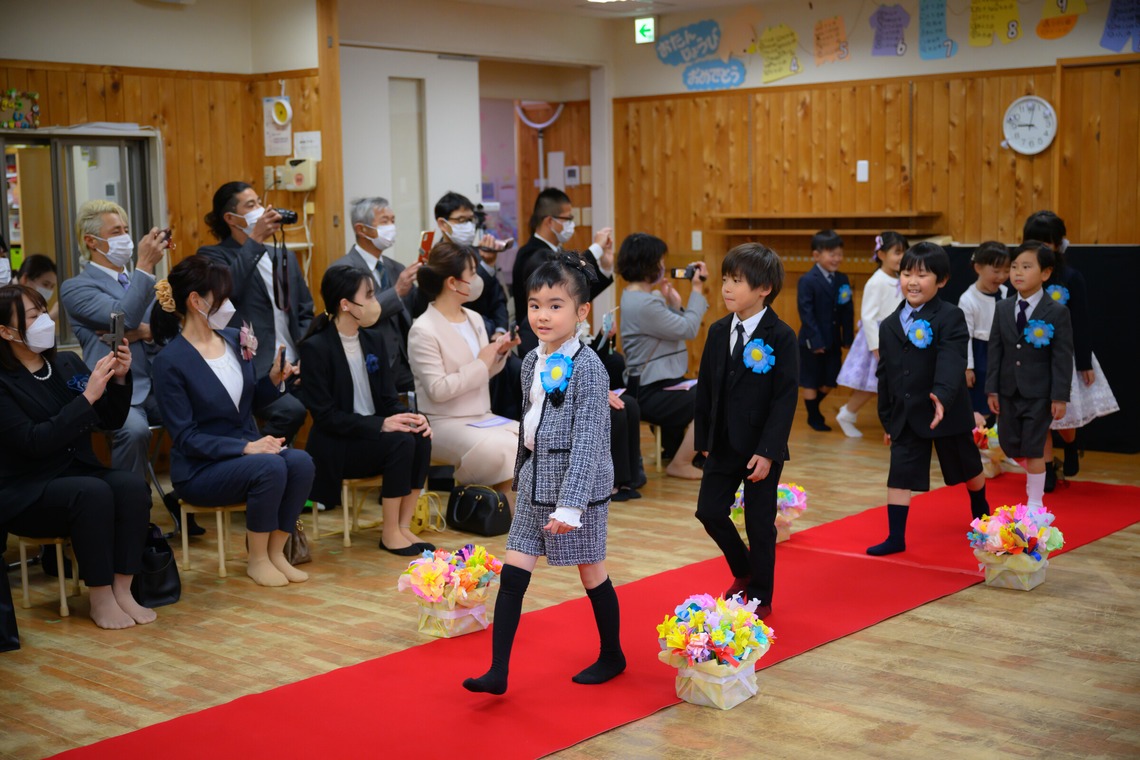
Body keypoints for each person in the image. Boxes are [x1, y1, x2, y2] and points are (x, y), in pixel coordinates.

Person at [464, 252, 622, 695]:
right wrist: (522, 475)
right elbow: (531, 422)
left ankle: (612, 653)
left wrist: (571, 505)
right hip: (536, 482)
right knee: (514, 574)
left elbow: (589, 441)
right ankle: (498, 671)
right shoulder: (532, 360)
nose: (543, 315)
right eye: (535, 305)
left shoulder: (590, 368)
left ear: (581, 311)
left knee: (592, 572)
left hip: (579, 490)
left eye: (556, 305)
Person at [151, 256, 315, 587]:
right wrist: (246, 447)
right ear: (196, 301)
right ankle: (256, 559)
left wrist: (273, 379)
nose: (229, 304)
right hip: (201, 468)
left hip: (243, 453)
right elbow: (185, 436)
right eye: (222, 297)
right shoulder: (170, 361)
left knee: (301, 462)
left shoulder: (231, 339)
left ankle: (276, 552)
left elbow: (246, 402)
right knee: (270, 467)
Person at [0, 284, 155, 629]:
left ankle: (123, 589)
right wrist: (85, 399)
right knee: (92, 492)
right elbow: (33, 441)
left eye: (43, 311)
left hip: (76, 471)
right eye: (32, 316)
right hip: (29, 489)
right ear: (6, 331)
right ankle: (100, 597)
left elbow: (110, 421)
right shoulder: (4, 382)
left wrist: (118, 379)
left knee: (131, 486)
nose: (43, 320)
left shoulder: (66, 363)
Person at [57, 201, 193, 527]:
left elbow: (166, 331)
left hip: (159, 384)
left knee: (202, 411)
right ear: (92, 241)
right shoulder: (76, 287)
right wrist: (145, 267)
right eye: (116, 232)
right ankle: (131, 517)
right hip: (116, 391)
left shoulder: (148, 284)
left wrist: (143, 331)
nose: (126, 238)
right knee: (133, 431)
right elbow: (125, 316)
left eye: (127, 231)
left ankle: (190, 494)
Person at [298, 266, 434, 556]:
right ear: (345, 304)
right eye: (369, 295)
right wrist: (381, 425)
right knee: (400, 440)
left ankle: (403, 525)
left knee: (419, 434)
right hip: (339, 445)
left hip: (373, 436)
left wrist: (411, 417)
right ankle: (389, 533)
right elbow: (326, 417)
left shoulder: (373, 340)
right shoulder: (315, 348)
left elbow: (388, 400)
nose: (375, 302)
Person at [693, 244, 797, 619]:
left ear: (764, 287)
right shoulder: (719, 331)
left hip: (760, 449)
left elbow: (785, 399)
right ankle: (744, 568)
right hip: (721, 444)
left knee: (759, 523)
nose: (727, 288)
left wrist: (769, 451)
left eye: (737, 281)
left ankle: (760, 593)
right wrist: (703, 442)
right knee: (709, 512)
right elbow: (705, 389)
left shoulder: (781, 336)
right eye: (725, 280)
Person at [868, 243, 990, 556]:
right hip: (908, 413)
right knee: (900, 471)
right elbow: (886, 374)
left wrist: (942, 396)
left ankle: (981, 509)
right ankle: (896, 537)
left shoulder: (950, 317)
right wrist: (887, 418)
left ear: (942, 280)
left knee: (967, 466)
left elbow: (953, 360)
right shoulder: (890, 325)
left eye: (922, 275)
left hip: (945, 409)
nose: (912, 281)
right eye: (906, 273)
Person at [196, 182, 313, 444]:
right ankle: (245, 456)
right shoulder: (213, 256)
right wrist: (255, 239)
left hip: (295, 364)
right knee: (290, 412)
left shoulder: (283, 256)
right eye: (251, 205)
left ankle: (316, 477)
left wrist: (307, 354)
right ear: (230, 218)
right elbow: (227, 292)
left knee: (335, 399)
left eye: (260, 202)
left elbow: (305, 310)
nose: (261, 210)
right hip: (254, 368)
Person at [407, 241, 520, 508]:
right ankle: (504, 516)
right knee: (501, 448)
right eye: (471, 273)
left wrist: (499, 353)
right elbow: (438, 389)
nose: (476, 279)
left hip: (481, 415)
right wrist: (482, 362)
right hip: (443, 422)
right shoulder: (423, 329)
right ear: (452, 282)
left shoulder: (474, 318)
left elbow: (484, 372)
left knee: (531, 437)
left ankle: (508, 515)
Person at [1022, 211, 1118, 490]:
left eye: (1046, 242)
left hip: (1064, 356)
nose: (1040, 247)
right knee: (1040, 419)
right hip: (1034, 358)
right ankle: (1047, 469)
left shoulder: (1071, 277)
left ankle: (1072, 445)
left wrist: (1084, 362)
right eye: (1034, 241)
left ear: (1057, 243)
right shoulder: (1022, 274)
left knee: (1063, 417)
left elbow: (1081, 321)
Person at [986, 241, 1074, 509]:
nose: (1018, 273)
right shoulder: (1003, 308)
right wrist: (992, 389)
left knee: (1035, 446)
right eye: (1014, 267)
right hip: (1008, 389)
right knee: (1010, 444)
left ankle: (1035, 501)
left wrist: (1059, 397)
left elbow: (1062, 357)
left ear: (1045, 273)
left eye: (1026, 267)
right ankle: (1035, 479)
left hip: (1040, 392)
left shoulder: (1057, 312)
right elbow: (995, 350)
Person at [616, 232, 708, 479]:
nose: (663, 266)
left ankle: (678, 451)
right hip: (649, 391)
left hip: (653, 384)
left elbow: (671, 327)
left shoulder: (639, 297)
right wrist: (697, 289)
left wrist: (674, 303)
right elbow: (688, 329)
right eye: (660, 261)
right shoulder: (645, 304)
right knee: (709, 397)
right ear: (648, 265)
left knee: (706, 389)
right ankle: (680, 463)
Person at [433, 191, 521, 420]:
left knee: (520, 370)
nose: (468, 226)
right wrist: (484, 268)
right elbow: (466, 297)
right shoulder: (437, 260)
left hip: (492, 339)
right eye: (461, 220)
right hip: (460, 346)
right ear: (443, 224)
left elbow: (498, 300)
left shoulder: (475, 253)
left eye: (471, 220)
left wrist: (500, 332)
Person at [328, 196, 419, 393]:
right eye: (384, 221)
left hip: (403, 364)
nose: (391, 227)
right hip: (366, 361)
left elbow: (416, 306)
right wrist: (396, 292)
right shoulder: (343, 269)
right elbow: (356, 314)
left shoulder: (396, 267)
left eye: (393, 221)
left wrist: (430, 278)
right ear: (361, 229)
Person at [511, 188, 614, 357]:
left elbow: (573, 291)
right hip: (538, 340)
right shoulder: (530, 253)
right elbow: (561, 283)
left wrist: (605, 267)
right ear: (550, 222)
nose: (571, 224)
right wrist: (596, 248)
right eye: (568, 218)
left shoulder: (557, 250)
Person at [835, 232, 908, 437]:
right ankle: (847, 413)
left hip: (897, 337)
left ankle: (897, 422)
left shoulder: (898, 278)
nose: (902, 257)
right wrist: (876, 346)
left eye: (904, 252)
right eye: (897, 252)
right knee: (871, 385)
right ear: (882, 254)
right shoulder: (876, 281)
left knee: (890, 384)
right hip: (879, 340)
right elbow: (868, 316)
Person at [797, 229, 854, 431]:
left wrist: (848, 337)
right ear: (816, 255)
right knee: (811, 380)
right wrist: (816, 341)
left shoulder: (842, 279)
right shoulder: (807, 280)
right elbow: (806, 313)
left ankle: (814, 408)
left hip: (833, 340)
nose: (837, 258)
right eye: (832, 254)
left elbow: (847, 310)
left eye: (839, 254)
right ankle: (813, 416)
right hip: (812, 341)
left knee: (832, 378)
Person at [591, 316, 647, 500]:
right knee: (616, 411)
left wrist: (604, 336)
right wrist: (596, 389)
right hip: (573, 389)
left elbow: (590, 356)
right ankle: (611, 481)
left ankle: (628, 479)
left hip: (591, 381)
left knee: (629, 403)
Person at [956, 241, 1011, 420]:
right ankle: (978, 438)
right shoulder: (968, 299)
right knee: (981, 400)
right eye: (996, 271)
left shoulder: (1005, 293)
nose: (1002, 276)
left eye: (1006, 270)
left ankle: (998, 436)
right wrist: (968, 367)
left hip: (1002, 352)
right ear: (978, 267)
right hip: (981, 353)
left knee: (1003, 396)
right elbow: (965, 336)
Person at [16, 254, 58, 320]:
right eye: (45, 284)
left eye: (52, 286)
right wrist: (51, 317)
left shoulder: (35, 302)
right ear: (25, 279)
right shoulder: (9, 302)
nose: (49, 290)